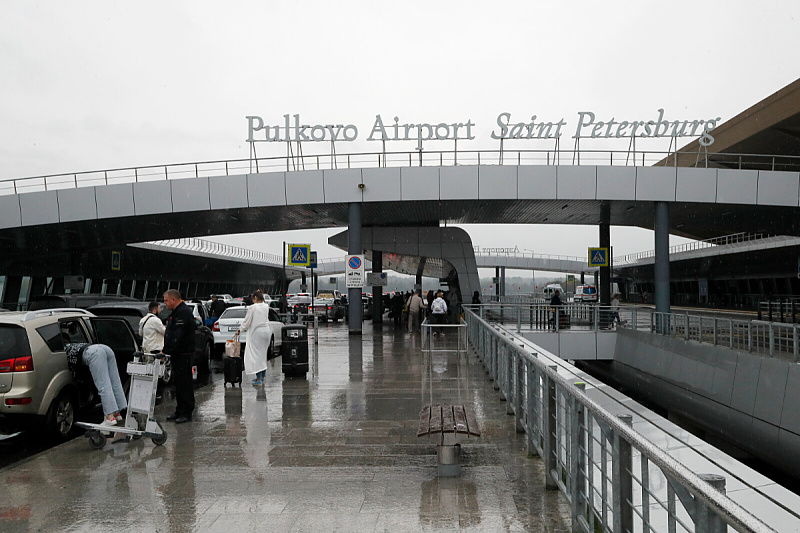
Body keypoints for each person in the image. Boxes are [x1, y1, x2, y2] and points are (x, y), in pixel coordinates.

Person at [64, 338, 127, 431]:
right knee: (115, 381)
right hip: (104, 348)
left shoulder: (64, 353)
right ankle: (117, 413)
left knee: (103, 385)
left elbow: (74, 373)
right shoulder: (73, 345)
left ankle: (109, 417)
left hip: (95, 354)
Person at [163, 289, 196, 424]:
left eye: (166, 300)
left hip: (184, 353)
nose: (164, 303)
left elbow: (178, 335)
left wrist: (168, 349)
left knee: (185, 384)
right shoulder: (176, 312)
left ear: (173, 300)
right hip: (177, 354)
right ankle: (179, 410)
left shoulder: (183, 313)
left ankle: (186, 412)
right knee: (178, 384)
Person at [237, 289, 271, 386]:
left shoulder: (252, 308)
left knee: (256, 356)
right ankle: (263, 376)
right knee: (262, 355)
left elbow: (247, 322)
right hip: (266, 332)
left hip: (256, 333)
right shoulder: (266, 306)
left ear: (255, 298)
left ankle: (259, 379)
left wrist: (239, 330)